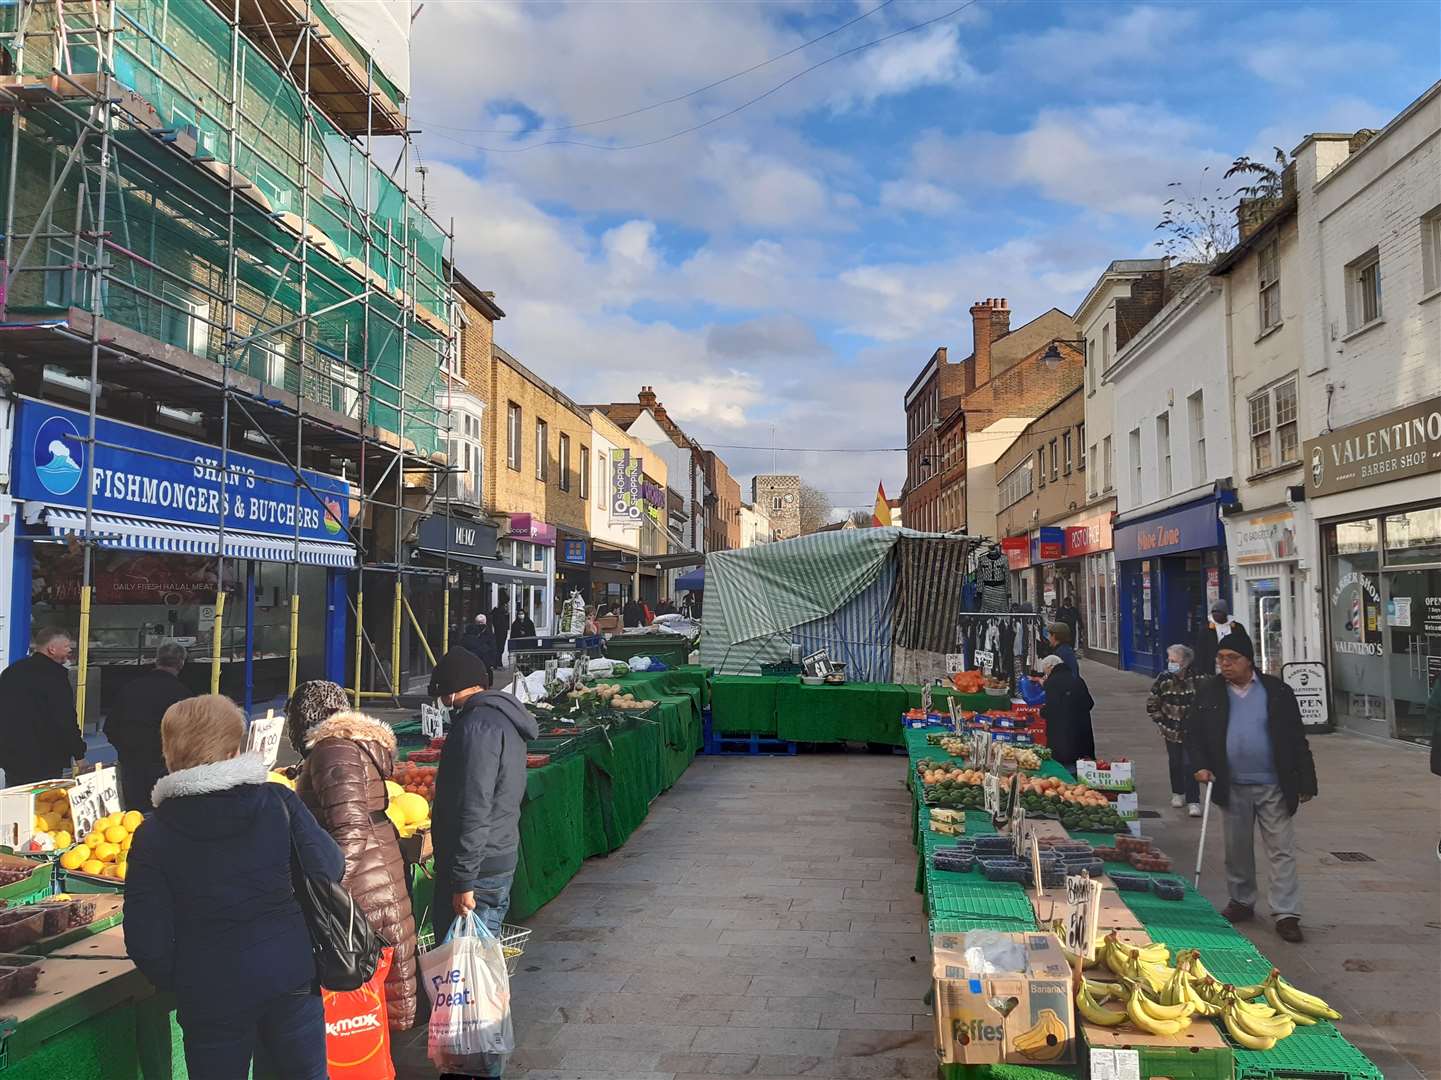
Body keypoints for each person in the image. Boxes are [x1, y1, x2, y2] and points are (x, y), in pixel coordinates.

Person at [124, 694, 344, 1078]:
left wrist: (182, 978)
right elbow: (329, 866)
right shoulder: (277, 801)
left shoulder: (153, 835)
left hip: (209, 988)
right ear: (233, 745)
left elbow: (147, 940)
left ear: (169, 750)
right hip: (288, 972)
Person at [286, 682, 419, 1032]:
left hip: (364, 892)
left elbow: (351, 831)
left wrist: (323, 893)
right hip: (375, 880)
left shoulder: (332, 750)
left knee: (368, 1012)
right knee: (379, 1009)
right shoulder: (346, 747)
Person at [1186, 632, 1317, 943]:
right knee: (1237, 849)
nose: (1225, 665)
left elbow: (1296, 738)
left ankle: (1286, 913)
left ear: (1249, 660)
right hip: (1231, 784)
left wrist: (1306, 781)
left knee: (1281, 849)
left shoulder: (1277, 691)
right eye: (1221, 659)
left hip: (1274, 783)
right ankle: (1242, 900)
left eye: (1232, 659)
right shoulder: (1209, 692)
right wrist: (1200, 765)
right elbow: (1195, 735)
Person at [428, 647, 539, 943]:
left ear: (450, 689)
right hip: (498, 855)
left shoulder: (476, 727)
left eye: (441, 694)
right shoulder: (503, 718)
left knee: (464, 970)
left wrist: (464, 879)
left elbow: (475, 806)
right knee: (481, 960)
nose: (441, 702)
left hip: (479, 867)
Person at [104, 640, 192, 812]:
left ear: (156, 660)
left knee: (133, 817)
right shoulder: (182, 694)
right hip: (164, 766)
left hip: (131, 764)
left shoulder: (130, 688)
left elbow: (110, 726)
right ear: (181, 664)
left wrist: (125, 749)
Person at [0, 627, 87, 785]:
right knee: (44, 803)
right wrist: (79, 754)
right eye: (67, 646)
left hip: (11, 755)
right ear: (52, 649)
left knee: (16, 797)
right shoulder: (55, 677)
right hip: (45, 756)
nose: (70, 650)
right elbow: (64, 719)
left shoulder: (11, 672)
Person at [1146, 644, 1202, 817]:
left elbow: (1206, 701)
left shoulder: (1198, 678)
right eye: (1169, 660)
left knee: (1190, 764)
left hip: (1192, 731)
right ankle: (1178, 793)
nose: (1171, 664)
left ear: (1185, 662)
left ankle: (1194, 801)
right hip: (1171, 729)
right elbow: (1152, 702)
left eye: (1174, 661)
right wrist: (1160, 720)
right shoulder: (1164, 679)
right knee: (1175, 762)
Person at [1036, 653, 1095, 769]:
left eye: (1045, 671)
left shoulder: (1052, 683)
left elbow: (1052, 708)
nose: (1046, 675)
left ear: (1050, 667)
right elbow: (1090, 703)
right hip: (1081, 731)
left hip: (1062, 737)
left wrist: (1042, 712)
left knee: (1063, 766)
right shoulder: (1077, 679)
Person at [1194, 600, 1251, 675]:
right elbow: (1200, 650)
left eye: (1218, 612)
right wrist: (1200, 669)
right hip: (1213, 667)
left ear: (1225, 614)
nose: (1215, 614)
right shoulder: (1206, 629)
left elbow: (1246, 646)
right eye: (1213, 612)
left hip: (1235, 663)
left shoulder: (1237, 628)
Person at [490, 592, 511, 660]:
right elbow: (498, 624)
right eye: (506, 605)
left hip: (501, 632)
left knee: (500, 647)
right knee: (499, 647)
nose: (507, 607)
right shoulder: (500, 613)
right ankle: (498, 662)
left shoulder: (502, 613)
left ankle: (499, 662)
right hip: (500, 632)